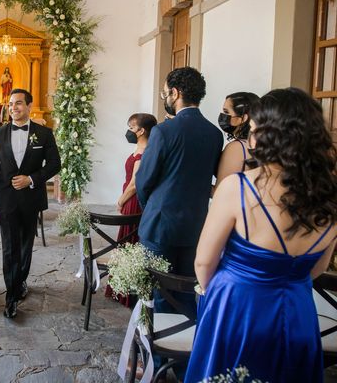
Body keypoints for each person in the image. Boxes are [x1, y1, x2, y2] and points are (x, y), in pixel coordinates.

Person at [185, 88, 337, 382]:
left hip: (238, 309)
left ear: (270, 136)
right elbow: (316, 268)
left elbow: (203, 263)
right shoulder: (329, 198)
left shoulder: (237, 189)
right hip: (298, 313)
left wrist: (216, 298)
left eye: (253, 129)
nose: (250, 137)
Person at [135, 67, 223, 300]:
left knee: (159, 291)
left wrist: (150, 209)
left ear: (175, 93)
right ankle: (182, 334)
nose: (165, 99)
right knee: (185, 290)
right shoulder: (214, 134)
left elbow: (143, 180)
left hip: (160, 225)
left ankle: (158, 336)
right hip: (195, 224)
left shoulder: (163, 131)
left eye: (165, 94)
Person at [0, 88, 61, 318]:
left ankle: (21, 281)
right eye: (10, 104)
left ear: (29, 106)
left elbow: (55, 164)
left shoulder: (44, 134)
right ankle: (11, 295)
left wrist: (31, 179)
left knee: (26, 244)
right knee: (9, 247)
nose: (13, 108)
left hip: (31, 197)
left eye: (18, 103)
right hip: (6, 197)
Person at [105, 112, 157, 306]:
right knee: (126, 242)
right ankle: (122, 287)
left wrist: (121, 200)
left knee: (129, 243)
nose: (128, 131)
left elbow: (135, 184)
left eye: (131, 127)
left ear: (141, 130)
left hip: (133, 201)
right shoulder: (141, 148)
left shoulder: (145, 153)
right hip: (130, 198)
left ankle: (127, 291)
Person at [213, 91, 260, 192]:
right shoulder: (258, 145)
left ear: (243, 118)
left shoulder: (236, 147)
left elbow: (221, 191)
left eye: (226, 112)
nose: (222, 116)